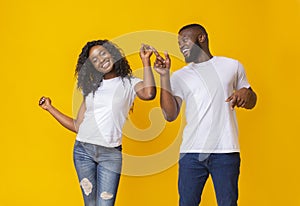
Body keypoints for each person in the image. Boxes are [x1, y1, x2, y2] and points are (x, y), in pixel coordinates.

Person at [39, 40, 156, 206]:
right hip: (83, 152)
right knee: (90, 204)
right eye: (94, 60)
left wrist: (145, 61)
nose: (100, 60)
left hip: (110, 154)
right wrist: (50, 108)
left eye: (103, 53)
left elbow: (149, 93)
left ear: (112, 53)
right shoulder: (92, 88)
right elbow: (77, 126)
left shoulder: (129, 83)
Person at [152, 24, 257, 206]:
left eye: (184, 40)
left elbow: (251, 99)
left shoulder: (231, 66)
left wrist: (246, 94)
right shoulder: (179, 76)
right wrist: (164, 76)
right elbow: (170, 115)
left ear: (201, 37)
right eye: (179, 43)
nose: (181, 46)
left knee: (228, 203)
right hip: (191, 153)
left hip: (225, 151)